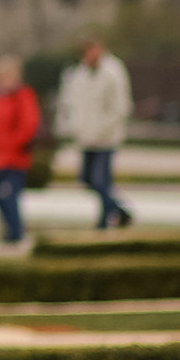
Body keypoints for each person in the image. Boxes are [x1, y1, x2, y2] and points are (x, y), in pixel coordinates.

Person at [59, 37, 134, 230]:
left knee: (101, 181)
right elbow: (74, 103)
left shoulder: (113, 72)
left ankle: (103, 222)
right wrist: (75, 126)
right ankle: (119, 211)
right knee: (87, 179)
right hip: (86, 137)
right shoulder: (79, 73)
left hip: (105, 138)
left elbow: (121, 107)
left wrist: (105, 129)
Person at [0, 55, 40, 244]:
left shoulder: (23, 96)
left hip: (15, 157)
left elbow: (29, 124)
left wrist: (13, 143)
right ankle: (10, 228)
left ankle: (15, 232)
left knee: (9, 194)